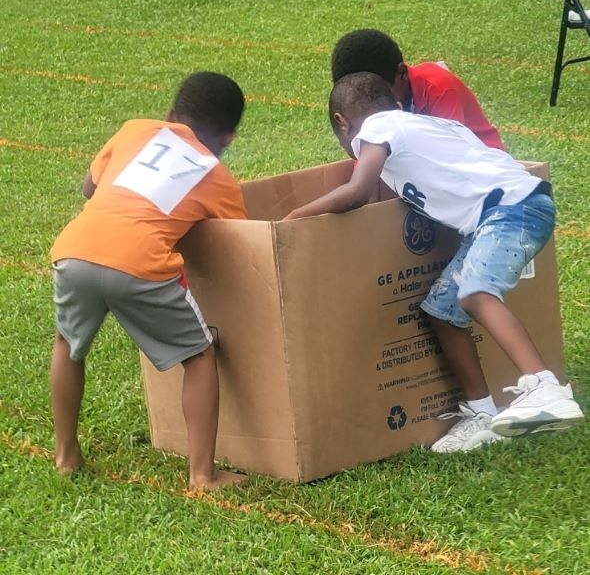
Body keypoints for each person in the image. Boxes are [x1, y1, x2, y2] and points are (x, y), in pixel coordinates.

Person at [285, 72, 584, 452]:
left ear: (343, 123)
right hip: (506, 210)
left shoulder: (377, 127)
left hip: (510, 210)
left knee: (475, 293)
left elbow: (357, 191)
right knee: (442, 310)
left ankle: (545, 388)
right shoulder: (425, 126)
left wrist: (294, 217)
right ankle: (482, 415)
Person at [50, 71, 248, 489]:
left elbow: (90, 188)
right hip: (141, 264)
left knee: (68, 345)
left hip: (74, 251)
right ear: (229, 137)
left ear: (171, 113)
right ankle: (202, 474)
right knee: (199, 354)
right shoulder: (218, 176)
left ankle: (66, 455)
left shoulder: (134, 130)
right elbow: (240, 242)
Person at [331, 29, 504, 150]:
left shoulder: (439, 88)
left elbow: (451, 156)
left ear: (402, 74)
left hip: (483, 175)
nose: (372, 110)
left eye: (378, 96)